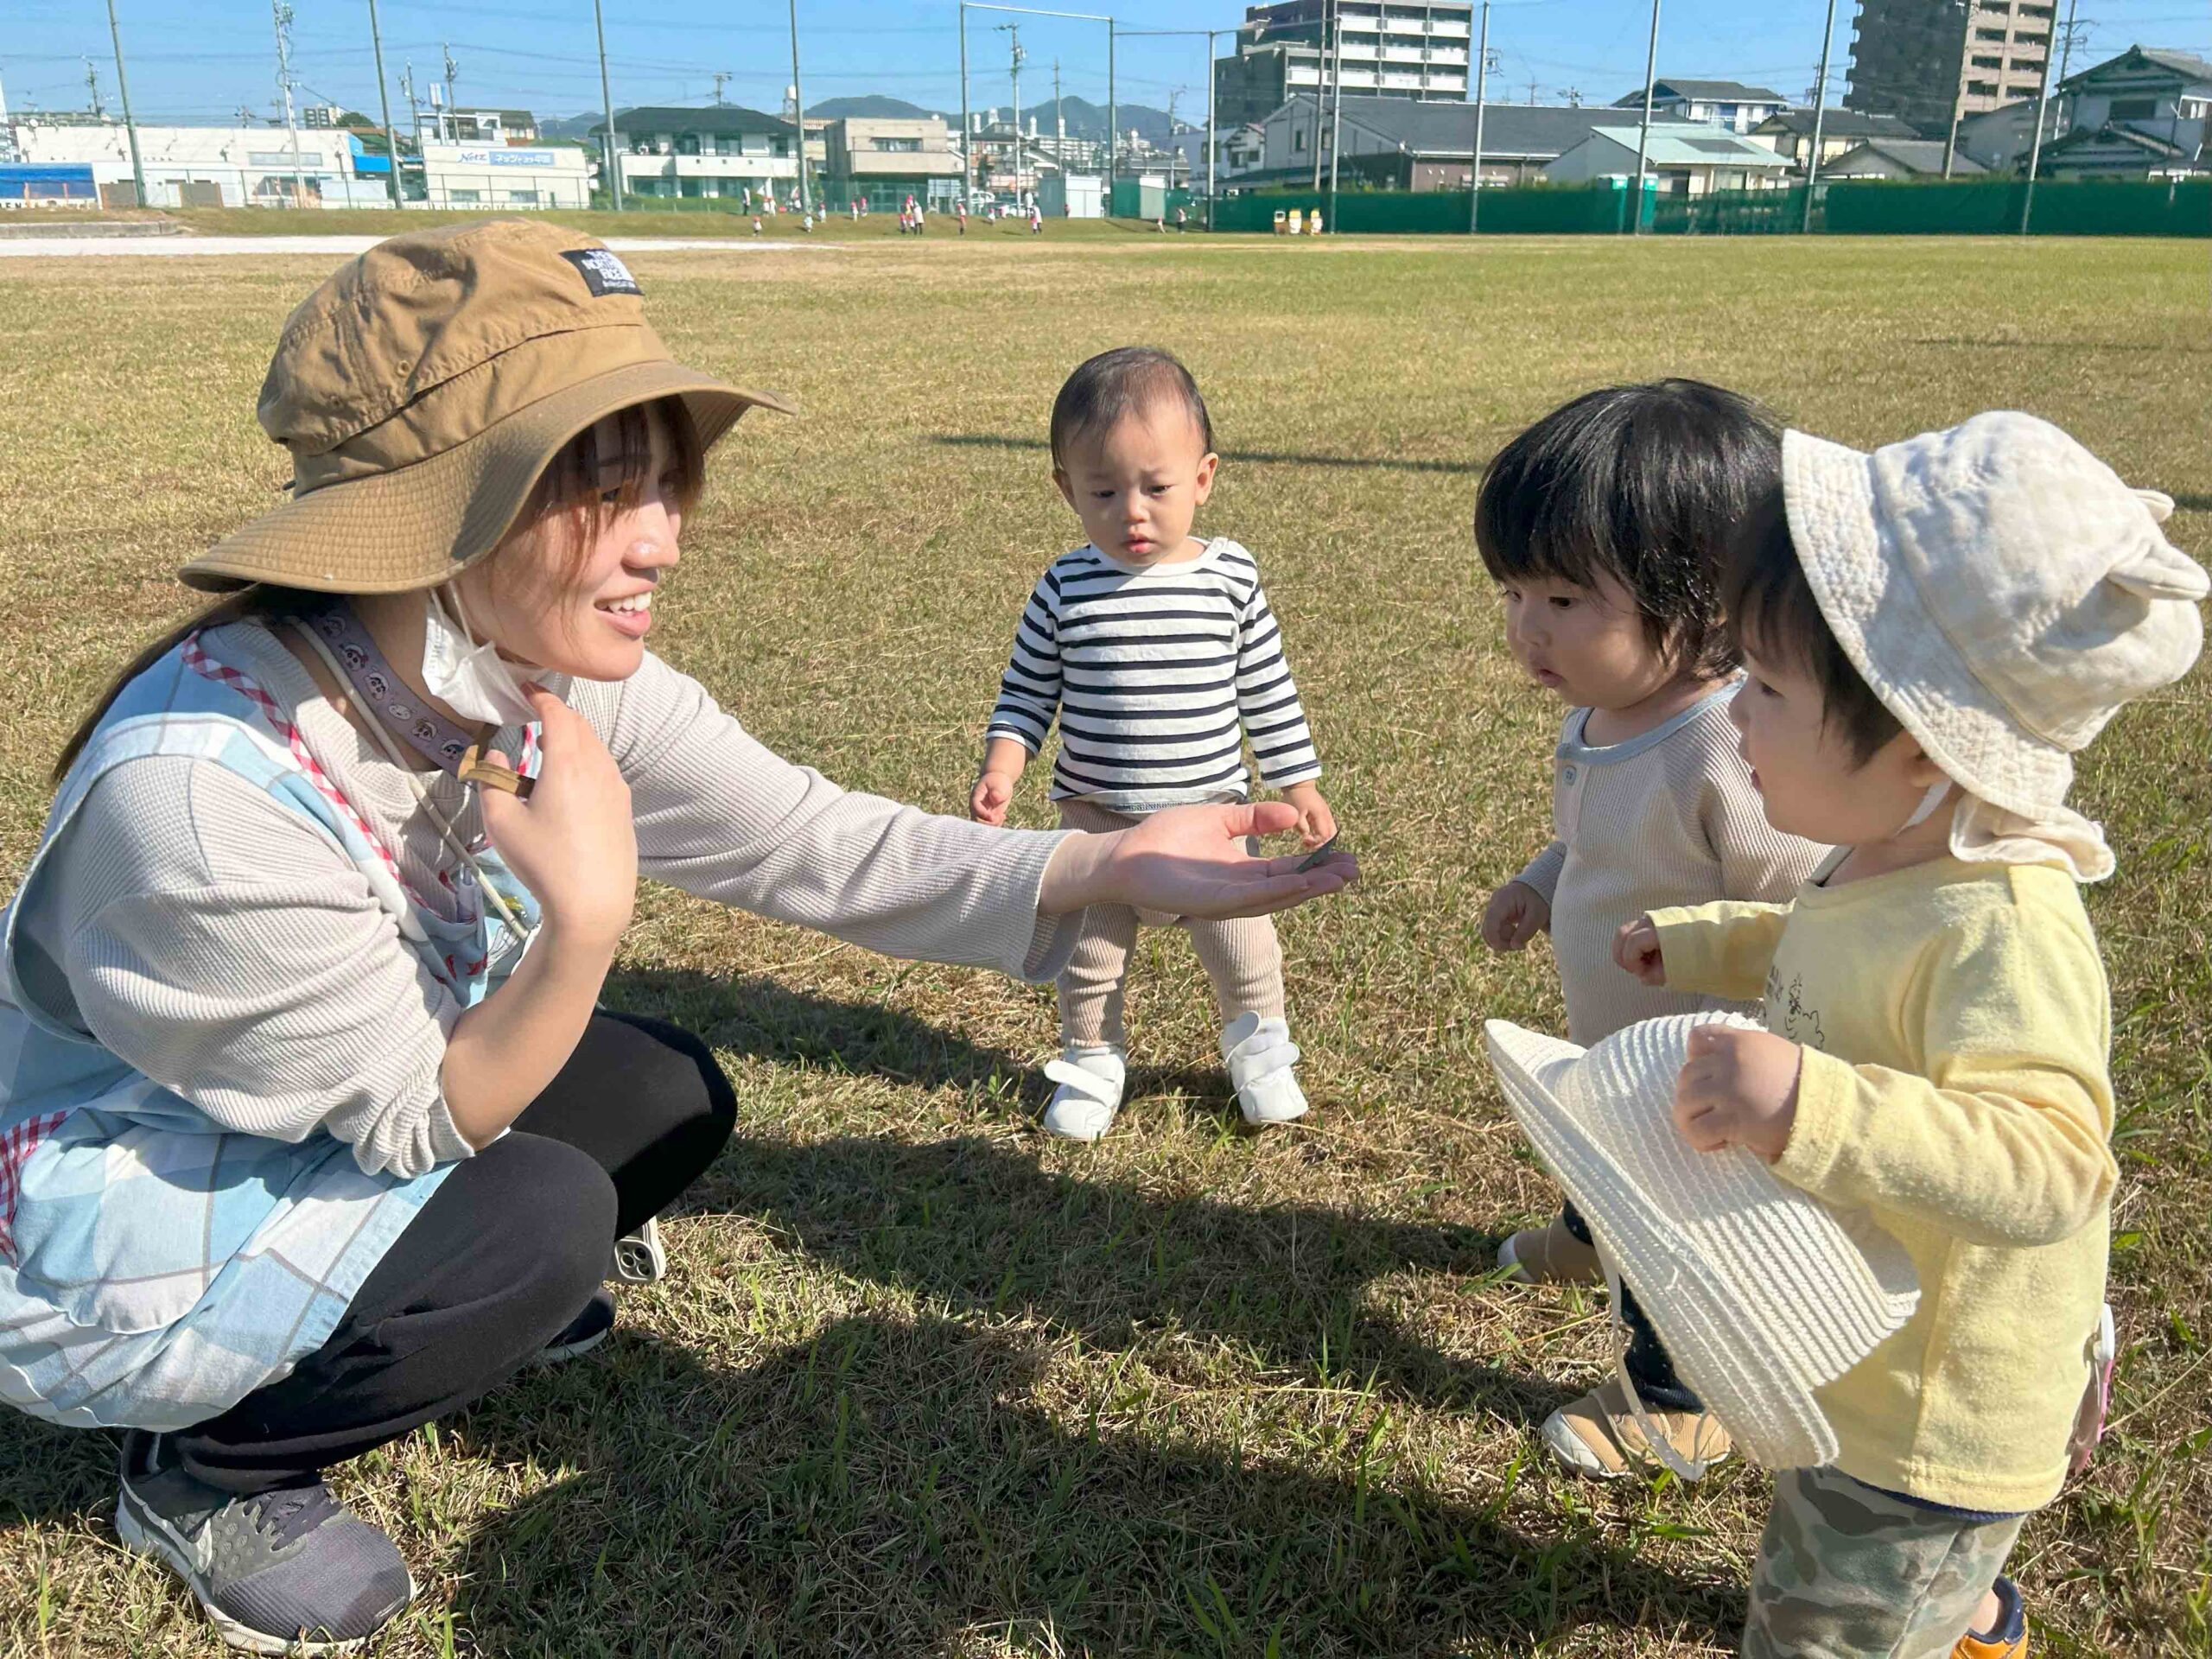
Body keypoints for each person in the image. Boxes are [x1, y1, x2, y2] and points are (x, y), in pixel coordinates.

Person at [0, 221, 1356, 1655]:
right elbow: (412, 1118)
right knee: (540, 1221)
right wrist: (582, 926)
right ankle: (214, 1471)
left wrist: (1106, 857)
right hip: (121, 1180)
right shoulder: (201, 801)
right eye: (600, 486)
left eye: (664, 479)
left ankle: (448, 1314)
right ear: (435, 513)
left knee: (666, 1095)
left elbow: (809, 840)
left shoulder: (510, 662)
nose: (664, 534)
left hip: (337, 1102)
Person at [1614, 412, 2203, 1659]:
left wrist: (1812, 1110)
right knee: (1899, 1588)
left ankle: (1941, 1614)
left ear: (1927, 753)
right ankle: (1974, 1617)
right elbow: (1825, 948)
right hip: (1867, 1355)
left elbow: (2053, 1166)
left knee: (1826, 1624)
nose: (1733, 724)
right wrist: (1710, 941)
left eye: (1767, 691)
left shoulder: (2005, 928)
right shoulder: (1886, 853)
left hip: (1932, 1417)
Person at [1473, 381, 1827, 1479]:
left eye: (1567, 599)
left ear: (1706, 596)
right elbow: (1591, 838)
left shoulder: (1728, 745)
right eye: (1515, 591)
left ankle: (1677, 1396)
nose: (1530, 627)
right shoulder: (1599, 713)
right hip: (1618, 1040)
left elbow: (1799, 916)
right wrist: (1540, 881)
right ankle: (1589, 1237)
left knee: (1676, 1232)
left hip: (1701, 1078)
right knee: (1592, 1120)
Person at [970, 347, 1337, 1142]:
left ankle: (1260, 1049)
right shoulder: (1064, 586)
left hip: (1215, 818)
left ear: (1203, 478)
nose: (1132, 513)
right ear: (1066, 488)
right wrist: (1004, 763)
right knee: (1091, 952)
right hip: (1100, 822)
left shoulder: (1231, 578)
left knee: (1242, 939)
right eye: (1103, 492)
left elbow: (1266, 687)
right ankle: (1093, 1058)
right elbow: (1028, 691)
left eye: (1157, 488)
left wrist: (1297, 781)